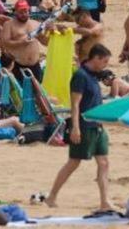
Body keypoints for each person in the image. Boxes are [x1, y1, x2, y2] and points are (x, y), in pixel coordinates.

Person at [46, 44, 114, 211]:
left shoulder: (92, 75)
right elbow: (75, 104)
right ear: (96, 58)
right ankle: (51, 196)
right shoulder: (81, 76)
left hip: (97, 126)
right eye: (104, 61)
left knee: (104, 163)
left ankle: (105, 202)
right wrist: (76, 128)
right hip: (84, 125)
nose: (105, 65)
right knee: (74, 163)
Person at [0, 0, 49, 84]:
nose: (24, 14)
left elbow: (45, 42)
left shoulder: (35, 24)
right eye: (21, 12)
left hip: (35, 65)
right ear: (16, 12)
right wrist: (21, 43)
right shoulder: (9, 25)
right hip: (19, 65)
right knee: (20, 94)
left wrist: (48, 31)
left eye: (26, 11)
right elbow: (4, 43)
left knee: (38, 93)